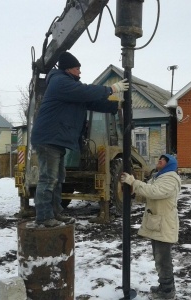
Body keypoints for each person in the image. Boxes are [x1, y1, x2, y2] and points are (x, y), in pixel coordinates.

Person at [31, 51, 129, 227]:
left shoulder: (68, 86)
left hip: (56, 140)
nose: (80, 73)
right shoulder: (60, 82)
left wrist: (117, 105)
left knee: (59, 178)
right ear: (68, 69)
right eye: (78, 69)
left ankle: (55, 213)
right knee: (48, 179)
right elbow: (85, 91)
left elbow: (89, 101)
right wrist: (111, 89)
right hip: (48, 139)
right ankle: (44, 218)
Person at [120, 154, 181, 300]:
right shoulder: (158, 177)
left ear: (170, 165)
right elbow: (147, 194)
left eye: (164, 160)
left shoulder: (170, 178)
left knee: (163, 259)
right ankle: (164, 286)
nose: (160, 161)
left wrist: (134, 182)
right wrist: (134, 190)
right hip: (158, 224)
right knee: (159, 257)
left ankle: (167, 291)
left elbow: (155, 192)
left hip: (165, 225)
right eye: (159, 159)